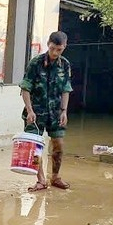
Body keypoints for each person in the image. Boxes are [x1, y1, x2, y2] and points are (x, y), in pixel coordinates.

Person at [20, 31, 73, 192]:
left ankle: (55, 176)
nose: (55, 53)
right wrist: (29, 110)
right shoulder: (35, 63)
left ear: (64, 47)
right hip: (36, 112)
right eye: (52, 48)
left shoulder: (65, 65)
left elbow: (66, 89)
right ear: (48, 44)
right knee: (35, 147)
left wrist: (64, 111)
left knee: (59, 145)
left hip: (55, 112)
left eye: (59, 49)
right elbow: (25, 88)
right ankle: (41, 179)